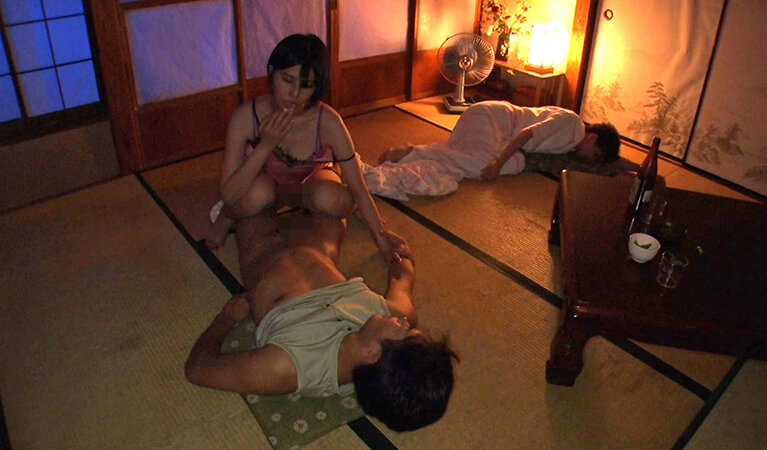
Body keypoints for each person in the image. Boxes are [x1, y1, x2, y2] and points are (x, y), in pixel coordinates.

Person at [185, 207, 458, 432]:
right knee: (333, 196)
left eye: (405, 331)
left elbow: (197, 370)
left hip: (267, 255)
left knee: (254, 196)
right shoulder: (392, 318)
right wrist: (397, 249)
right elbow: (402, 277)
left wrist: (225, 320)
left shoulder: (286, 366)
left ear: (372, 354)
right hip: (321, 249)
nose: (404, 322)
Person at [205, 34, 395, 265]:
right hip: (267, 183)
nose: (294, 94)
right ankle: (227, 217)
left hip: (311, 181)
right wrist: (266, 144)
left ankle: (296, 204)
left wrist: (383, 238)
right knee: (253, 196)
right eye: (287, 80)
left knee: (336, 200)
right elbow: (229, 193)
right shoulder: (246, 116)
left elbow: (358, 188)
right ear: (271, 72)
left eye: (306, 86)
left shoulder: (328, 121)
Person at [372, 101, 637, 198]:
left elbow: (614, 162)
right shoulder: (573, 126)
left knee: (460, 164)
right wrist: (497, 164)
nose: (591, 160)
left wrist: (642, 170)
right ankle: (411, 152)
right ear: (593, 138)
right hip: (491, 120)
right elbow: (525, 134)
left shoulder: (573, 139)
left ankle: (416, 157)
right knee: (483, 167)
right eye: (596, 155)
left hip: (491, 128)